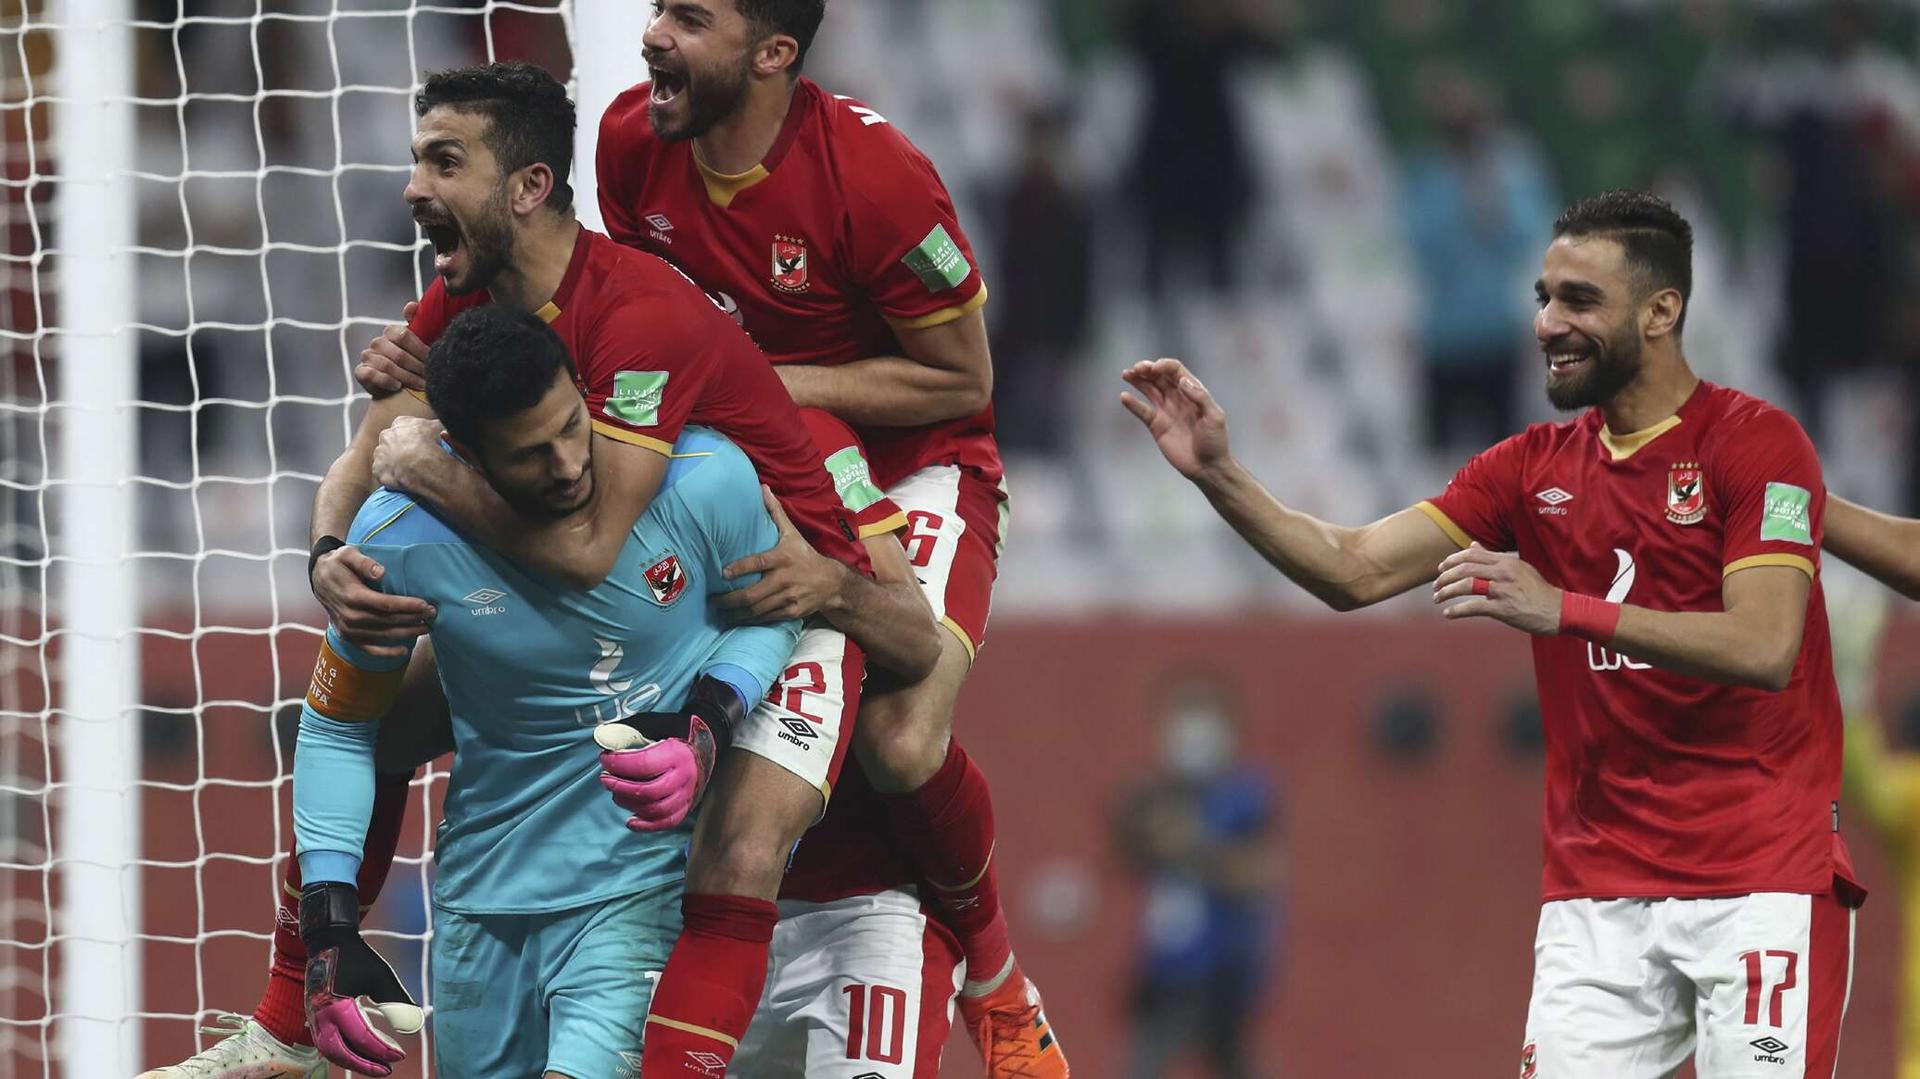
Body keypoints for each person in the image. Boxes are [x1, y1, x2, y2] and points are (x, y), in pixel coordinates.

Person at [140, 61, 941, 1079]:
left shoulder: (639, 332)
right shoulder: (472, 307)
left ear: (526, 187)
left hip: (792, 581)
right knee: (363, 720)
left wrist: (716, 697)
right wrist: (333, 554)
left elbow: (587, 540)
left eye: (445, 160)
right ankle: (292, 1014)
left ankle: (995, 968)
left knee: (811, 797)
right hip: (546, 773)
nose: (415, 187)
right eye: (417, 158)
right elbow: (371, 454)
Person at [1123, 190, 1863, 1077]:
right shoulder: (1527, 471)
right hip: (1598, 895)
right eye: (1544, 298)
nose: (1550, 322)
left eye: (1580, 300)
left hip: (1761, 877)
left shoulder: (1757, 446)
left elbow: (1765, 645)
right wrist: (1221, 476)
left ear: (1662, 311)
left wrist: (1565, 608)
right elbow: (1352, 568)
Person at [586, 1, 1065, 1072]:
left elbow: (960, 377)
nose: (655, 32)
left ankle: (994, 975)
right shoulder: (628, 142)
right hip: (763, 457)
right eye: (660, 8)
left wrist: (759, 387)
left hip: (911, 463)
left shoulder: (876, 175)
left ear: (773, 55)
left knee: (900, 737)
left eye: (691, 17)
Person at [298, 305, 799, 1077]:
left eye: (573, 424)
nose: (568, 464)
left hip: (635, 890)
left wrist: (709, 720)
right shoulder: (403, 537)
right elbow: (337, 725)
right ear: (458, 452)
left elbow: (776, 614)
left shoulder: (700, 480)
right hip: (478, 900)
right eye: (531, 453)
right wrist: (328, 931)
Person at [1115, 680, 1279, 1079]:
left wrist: (1192, 845)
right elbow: (1128, 853)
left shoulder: (1245, 794)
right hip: (1166, 970)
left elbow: (1257, 873)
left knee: (1231, 1061)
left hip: (1224, 969)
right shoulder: (1157, 792)